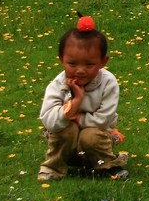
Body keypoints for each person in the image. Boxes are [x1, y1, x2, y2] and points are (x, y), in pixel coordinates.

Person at [38, 15, 128, 181]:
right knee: (66, 130)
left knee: (90, 136)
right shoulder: (58, 84)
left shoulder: (108, 83)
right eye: (72, 64)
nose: (80, 70)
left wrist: (78, 118)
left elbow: (103, 119)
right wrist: (75, 102)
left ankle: (106, 164)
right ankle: (53, 167)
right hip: (66, 141)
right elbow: (49, 120)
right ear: (61, 60)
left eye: (89, 64)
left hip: (95, 138)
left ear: (103, 62)